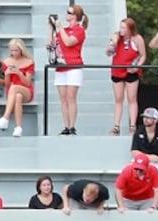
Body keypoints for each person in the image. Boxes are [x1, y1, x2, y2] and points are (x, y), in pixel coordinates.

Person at [51, 4, 88, 134]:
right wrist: (51, 29)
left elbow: (68, 42)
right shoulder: (63, 30)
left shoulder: (79, 30)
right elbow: (52, 44)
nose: (66, 14)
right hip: (61, 66)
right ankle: (66, 126)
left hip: (74, 65)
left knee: (71, 97)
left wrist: (60, 28)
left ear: (75, 16)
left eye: (69, 12)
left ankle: (72, 126)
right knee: (63, 98)